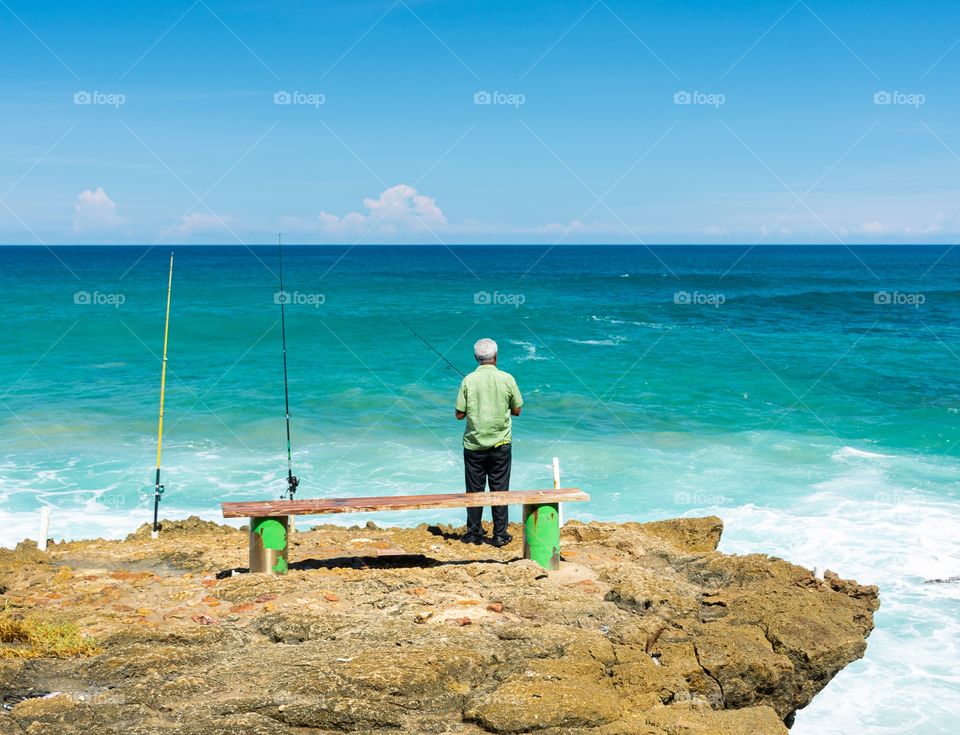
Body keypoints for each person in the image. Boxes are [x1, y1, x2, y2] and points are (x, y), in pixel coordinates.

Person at [455, 338, 523, 547]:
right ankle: (500, 534)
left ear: (476, 357)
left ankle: (474, 533)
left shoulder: (468, 380)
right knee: (499, 489)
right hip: (501, 444)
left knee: (474, 490)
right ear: (496, 356)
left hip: (474, 445)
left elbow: (459, 414)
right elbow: (518, 410)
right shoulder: (507, 378)